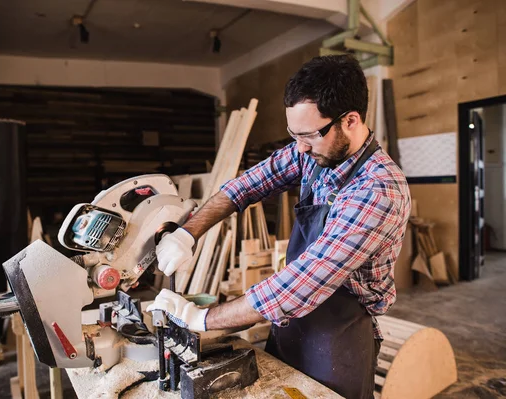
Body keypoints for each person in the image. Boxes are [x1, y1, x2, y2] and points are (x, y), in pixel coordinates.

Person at [147, 55, 411, 399]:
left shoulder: (378, 188)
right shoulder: (313, 150)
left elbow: (305, 281)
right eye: (293, 134)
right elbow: (246, 186)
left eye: (309, 136)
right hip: (291, 320)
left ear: (350, 120)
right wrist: (187, 233)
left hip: (339, 333)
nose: (299, 147)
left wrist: (203, 319)